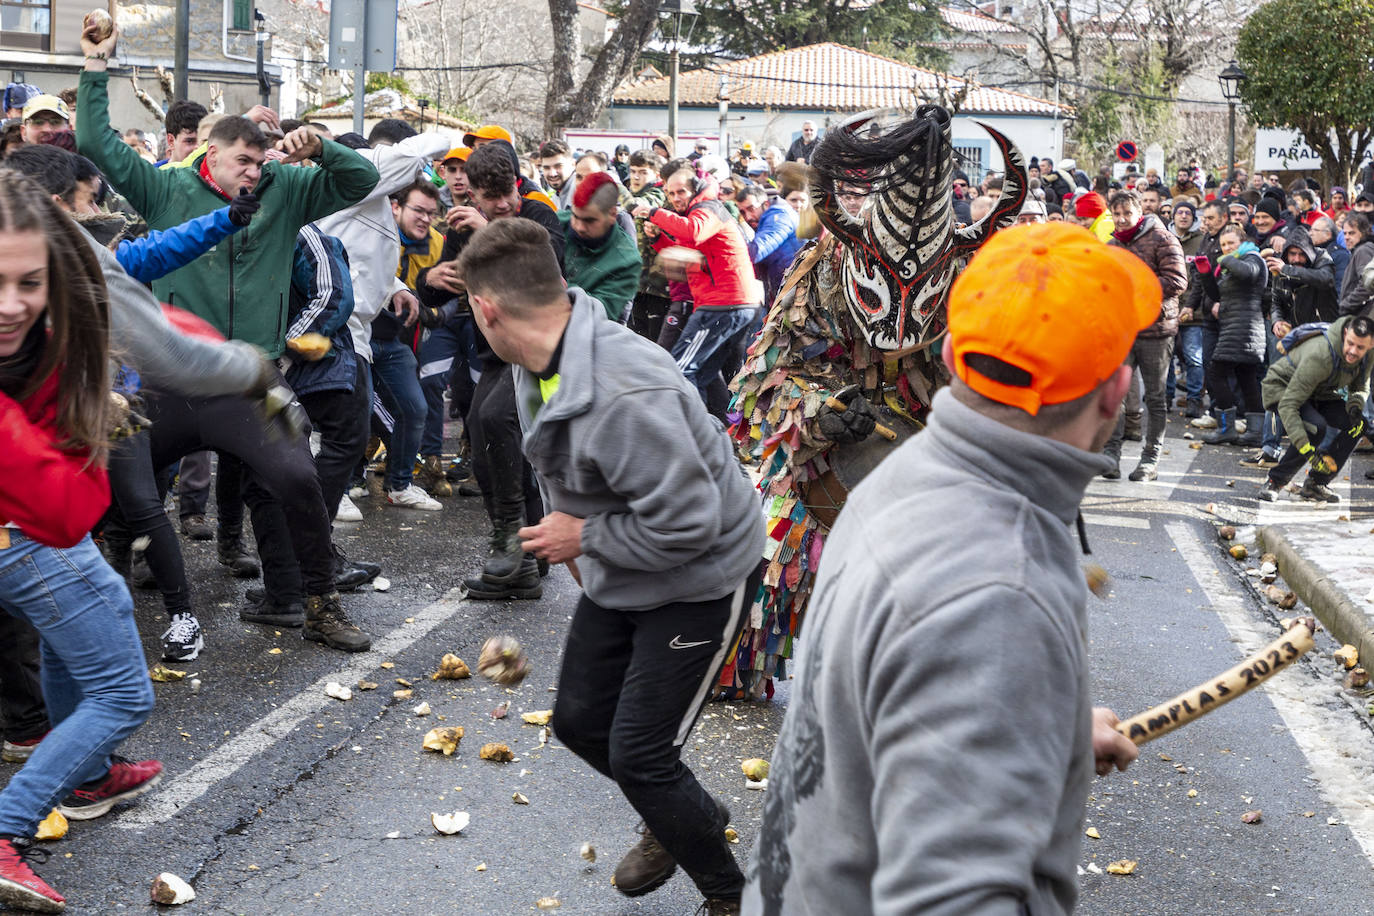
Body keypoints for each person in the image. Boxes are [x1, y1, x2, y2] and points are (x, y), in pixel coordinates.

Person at [742, 221, 1141, 915]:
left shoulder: (903, 478)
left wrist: (1032, 724)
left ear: (954, 356)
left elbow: (905, 694)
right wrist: (1001, 688)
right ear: (1118, 392)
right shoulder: (998, 593)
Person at [456, 218, 765, 916]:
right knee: (579, 723)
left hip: (703, 576)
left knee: (641, 757)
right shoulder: (545, 354)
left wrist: (583, 535)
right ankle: (689, 812)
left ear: (488, 309)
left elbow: (691, 525)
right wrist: (585, 543)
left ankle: (732, 896)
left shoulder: (628, 392)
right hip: (627, 563)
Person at [632, 165, 760, 421]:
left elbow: (693, 231)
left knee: (680, 370)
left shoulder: (707, 208)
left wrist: (655, 213)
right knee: (702, 374)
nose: (676, 197)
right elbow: (687, 255)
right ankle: (717, 436)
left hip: (723, 304)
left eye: (681, 191)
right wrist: (658, 239)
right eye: (671, 193)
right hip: (730, 304)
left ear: (695, 190)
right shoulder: (699, 213)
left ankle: (692, 435)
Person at [1101, 189, 1187, 481]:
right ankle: (1111, 455)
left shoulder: (1162, 238)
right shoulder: (1111, 246)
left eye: (1127, 213)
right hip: (1121, 331)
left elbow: (1177, 281)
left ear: (1139, 213)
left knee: (1155, 396)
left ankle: (1149, 460)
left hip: (1156, 330)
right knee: (1115, 395)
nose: (1122, 219)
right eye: (1117, 214)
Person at [1258, 315, 1374, 503]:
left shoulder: (1368, 354)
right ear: (1345, 334)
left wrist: (1355, 406)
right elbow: (1289, 404)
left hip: (1319, 391)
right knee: (1314, 427)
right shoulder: (1321, 354)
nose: (1353, 351)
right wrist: (1308, 451)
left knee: (1359, 424)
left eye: (1360, 347)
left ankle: (1316, 483)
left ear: (1371, 344)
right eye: (1350, 343)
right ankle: (1275, 481)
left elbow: (1360, 387)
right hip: (1283, 389)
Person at [1196, 223, 1268, 447]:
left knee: (1216, 373)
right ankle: (1255, 433)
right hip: (1235, 327)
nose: (1226, 248)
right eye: (1223, 245)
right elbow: (1217, 294)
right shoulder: (1233, 262)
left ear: (1242, 242)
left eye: (1230, 244)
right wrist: (1207, 274)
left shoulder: (1252, 257)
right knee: (1246, 378)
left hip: (1244, 328)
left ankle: (1226, 429)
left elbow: (1248, 274)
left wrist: (1224, 260)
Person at [558, 172, 641, 321]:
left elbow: (600, 313)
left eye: (589, 220)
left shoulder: (627, 260)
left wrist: (551, 284)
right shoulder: (555, 223)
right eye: (575, 216)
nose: (579, 227)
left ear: (612, 214)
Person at [738, 183, 801, 306]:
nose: (748, 217)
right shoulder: (768, 219)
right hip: (784, 291)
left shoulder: (780, 216)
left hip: (798, 291)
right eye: (742, 212)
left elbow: (756, 251)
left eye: (751, 209)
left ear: (765, 204)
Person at [1339, 213, 1374, 317]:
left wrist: (1345, 306)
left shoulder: (1363, 250)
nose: (1347, 237)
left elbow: (1366, 285)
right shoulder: (1359, 250)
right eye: (1344, 233)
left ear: (1363, 233)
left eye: (1351, 233)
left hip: (1361, 314)